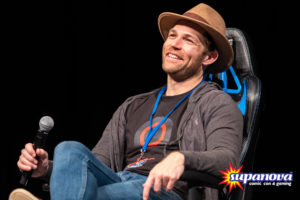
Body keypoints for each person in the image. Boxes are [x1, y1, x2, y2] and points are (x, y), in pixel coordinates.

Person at [14, 3, 243, 200]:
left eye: (188, 40)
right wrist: (47, 169)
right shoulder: (133, 105)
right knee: (69, 150)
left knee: (105, 192)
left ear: (209, 57)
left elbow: (228, 162)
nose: (174, 43)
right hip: (119, 182)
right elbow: (95, 164)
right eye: (172, 35)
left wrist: (181, 158)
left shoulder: (217, 102)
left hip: (164, 192)